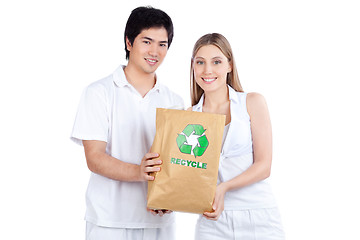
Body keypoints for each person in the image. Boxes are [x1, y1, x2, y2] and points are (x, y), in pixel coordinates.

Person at [71, 6, 183, 240]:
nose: (155, 51)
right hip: (108, 221)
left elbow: (177, 164)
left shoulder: (174, 101)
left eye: (162, 44)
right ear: (129, 42)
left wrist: (171, 197)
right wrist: (139, 172)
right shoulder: (99, 92)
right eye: (147, 41)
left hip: (158, 222)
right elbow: (95, 158)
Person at [189, 33, 285, 239]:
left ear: (230, 65)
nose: (207, 70)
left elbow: (264, 166)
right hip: (212, 222)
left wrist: (224, 187)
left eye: (216, 62)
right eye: (200, 62)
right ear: (193, 67)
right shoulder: (188, 117)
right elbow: (188, 174)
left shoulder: (252, 103)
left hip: (259, 216)